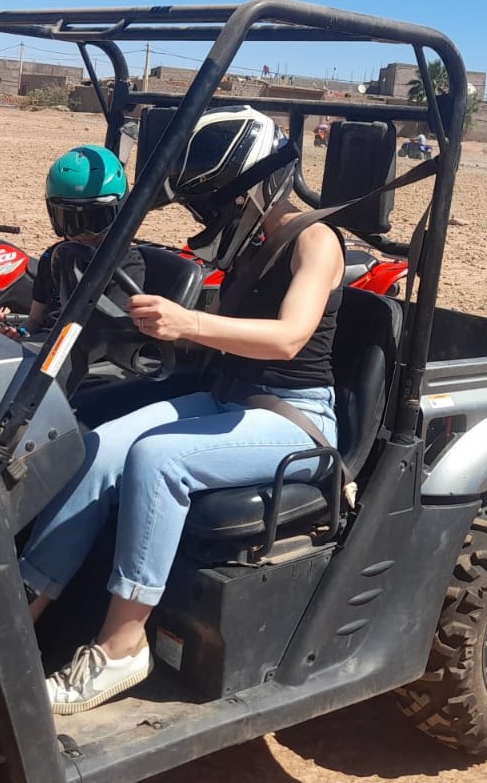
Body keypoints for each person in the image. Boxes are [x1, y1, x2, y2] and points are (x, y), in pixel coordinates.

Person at [18, 106, 344, 715]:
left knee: (158, 459)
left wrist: (188, 321)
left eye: (218, 201)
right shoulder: (253, 242)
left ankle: (121, 647)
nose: (211, 217)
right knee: (98, 445)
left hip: (295, 418)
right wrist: (173, 327)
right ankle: (19, 612)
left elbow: (288, 338)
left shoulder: (315, 239)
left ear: (257, 184)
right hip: (230, 400)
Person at [28, 145, 147, 335]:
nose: (83, 233)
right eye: (70, 221)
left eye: (95, 220)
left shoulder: (126, 263)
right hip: (45, 349)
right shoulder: (54, 257)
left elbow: (113, 332)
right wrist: (21, 333)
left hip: (90, 354)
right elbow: (34, 320)